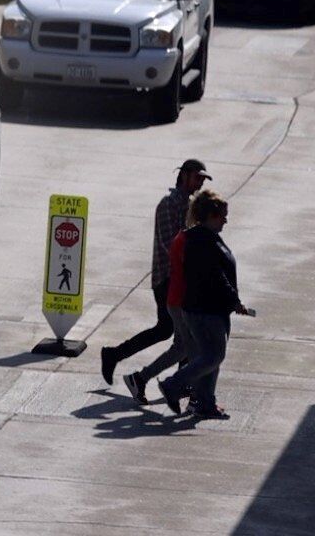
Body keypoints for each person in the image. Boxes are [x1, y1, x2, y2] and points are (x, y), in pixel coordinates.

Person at [101, 160, 210, 404]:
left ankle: (120, 358)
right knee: (178, 333)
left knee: (177, 333)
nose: (200, 182)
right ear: (183, 176)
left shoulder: (191, 205)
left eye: (203, 179)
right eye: (197, 177)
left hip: (181, 280)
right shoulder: (168, 205)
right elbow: (169, 244)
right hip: (167, 279)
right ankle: (173, 381)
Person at [160, 190, 251, 420]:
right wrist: (234, 300)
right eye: (222, 216)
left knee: (210, 357)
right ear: (211, 215)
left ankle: (205, 403)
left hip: (211, 309)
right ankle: (173, 385)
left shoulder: (204, 236)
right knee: (212, 357)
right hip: (205, 310)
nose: (226, 220)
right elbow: (216, 276)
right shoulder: (201, 240)